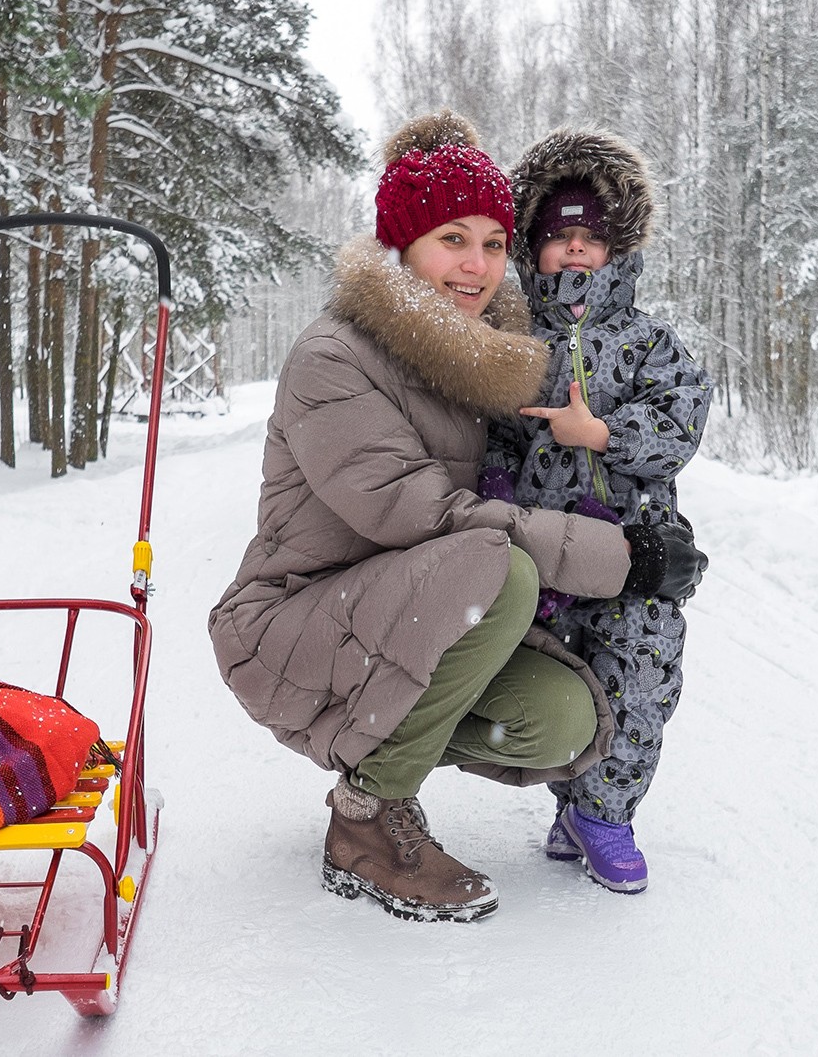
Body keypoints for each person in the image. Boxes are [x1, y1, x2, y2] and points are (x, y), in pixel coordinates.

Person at [208, 110, 702, 923]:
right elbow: (437, 519)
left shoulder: (472, 360)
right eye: (452, 239)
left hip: (395, 623)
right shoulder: (333, 358)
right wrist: (623, 558)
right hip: (293, 629)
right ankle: (367, 817)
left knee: (559, 719)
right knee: (493, 568)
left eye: (495, 244)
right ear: (403, 246)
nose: (477, 266)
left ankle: (390, 750)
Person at [480, 127, 713, 894]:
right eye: (558, 239)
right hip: (551, 556)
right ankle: (575, 802)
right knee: (570, 679)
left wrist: (603, 434)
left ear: (616, 252)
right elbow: (498, 435)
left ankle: (607, 814)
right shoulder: (518, 345)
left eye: (590, 238)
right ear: (533, 253)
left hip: (637, 552)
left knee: (641, 673)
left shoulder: (648, 343)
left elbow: (681, 423)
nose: (575, 252)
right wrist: (498, 491)